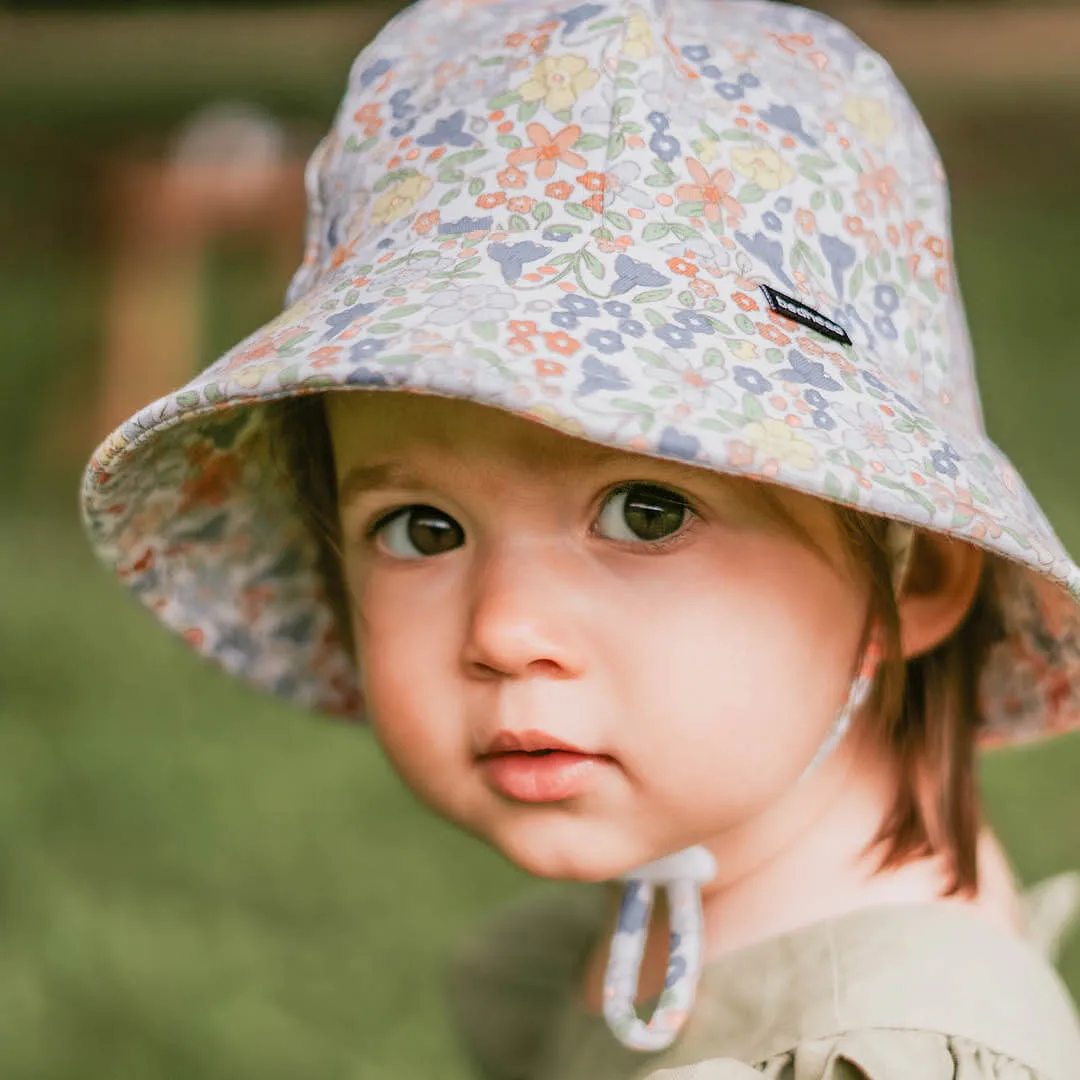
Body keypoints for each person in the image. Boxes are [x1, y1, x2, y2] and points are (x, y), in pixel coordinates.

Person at [81, 0, 1080, 1075]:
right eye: (423, 528)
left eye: (647, 513)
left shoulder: (882, 1054)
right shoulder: (727, 899)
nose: (506, 632)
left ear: (916, 569)